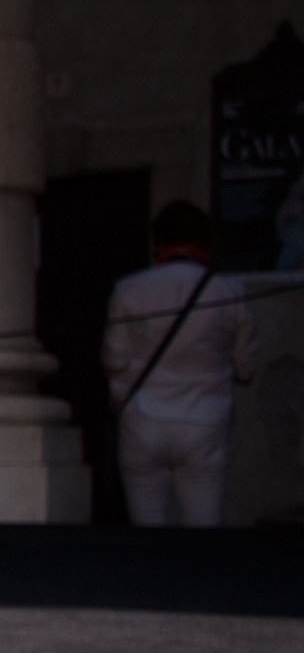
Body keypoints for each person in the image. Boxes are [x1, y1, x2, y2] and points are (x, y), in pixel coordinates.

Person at [103, 201, 257, 526]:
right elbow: (246, 369)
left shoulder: (129, 289)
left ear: (159, 241)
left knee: (148, 529)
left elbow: (113, 362)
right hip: (206, 419)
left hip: (143, 419)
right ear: (206, 242)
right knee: (203, 528)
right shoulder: (230, 291)